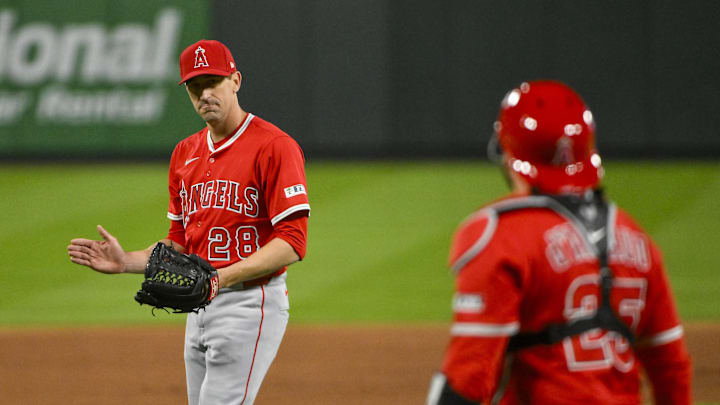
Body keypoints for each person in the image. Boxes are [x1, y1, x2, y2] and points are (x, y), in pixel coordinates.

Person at [67, 39, 310, 405]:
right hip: (200, 307)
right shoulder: (184, 153)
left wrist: (219, 279)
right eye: (195, 87)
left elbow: (292, 242)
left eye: (212, 82)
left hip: (249, 303)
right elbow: (179, 239)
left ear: (236, 81)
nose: (204, 94)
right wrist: (127, 261)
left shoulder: (274, 146)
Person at [425, 80, 691, 404]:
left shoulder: (499, 235)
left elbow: (469, 378)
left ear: (508, 153)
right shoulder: (637, 240)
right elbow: (671, 370)